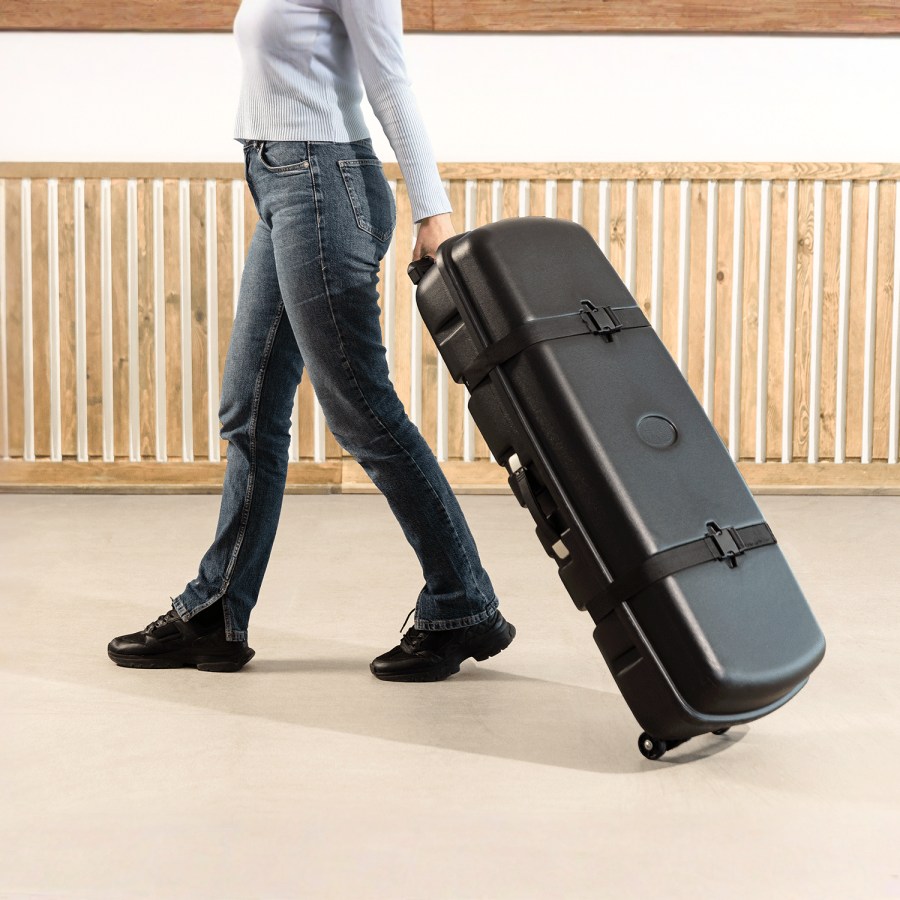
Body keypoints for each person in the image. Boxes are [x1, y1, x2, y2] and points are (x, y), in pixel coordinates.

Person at [107, 0, 515, 679]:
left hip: (324, 187)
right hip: (280, 184)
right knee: (248, 409)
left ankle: (463, 602)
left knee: (360, 409)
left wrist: (433, 210)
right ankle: (217, 613)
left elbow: (390, 77)